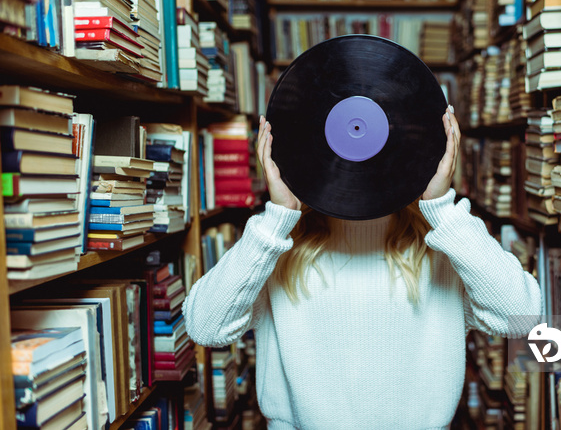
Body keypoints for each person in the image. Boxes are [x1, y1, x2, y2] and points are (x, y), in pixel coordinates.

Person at [183, 106, 542, 430]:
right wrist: (276, 218)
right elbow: (205, 325)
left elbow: (520, 316)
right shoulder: (277, 245)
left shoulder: (444, 242)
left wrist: (442, 208)